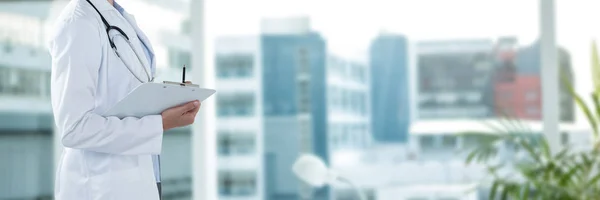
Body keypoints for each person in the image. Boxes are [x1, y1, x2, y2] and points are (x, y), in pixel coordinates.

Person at [47, 0, 199, 199]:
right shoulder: (77, 23)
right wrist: (159, 124)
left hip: (139, 178)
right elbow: (74, 128)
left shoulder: (116, 16)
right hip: (100, 187)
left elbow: (121, 94)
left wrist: (169, 99)